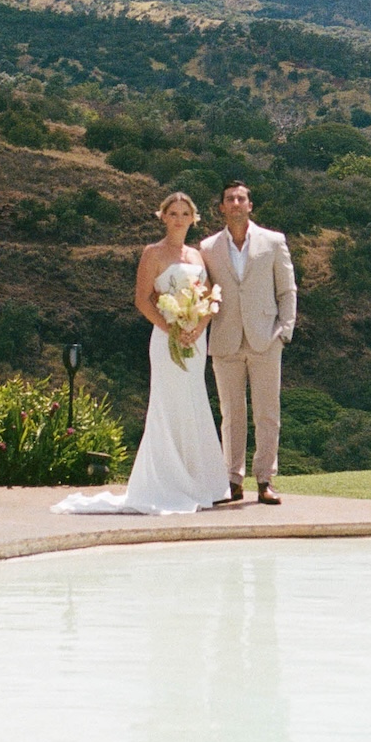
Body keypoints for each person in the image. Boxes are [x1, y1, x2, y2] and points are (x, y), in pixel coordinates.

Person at [52, 192, 228, 515]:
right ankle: (165, 482)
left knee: (194, 404)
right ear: (163, 217)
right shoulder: (153, 253)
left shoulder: (197, 256)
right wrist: (171, 328)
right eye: (172, 213)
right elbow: (142, 299)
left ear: (193, 218)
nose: (178, 219)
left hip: (195, 341)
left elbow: (209, 300)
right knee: (168, 404)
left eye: (184, 213)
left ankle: (201, 483)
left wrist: (198, 327)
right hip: (166, 338)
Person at [200, 181, 296, 506]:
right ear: (222, 208)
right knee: (231, 413)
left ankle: (266, 480)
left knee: (268, 413)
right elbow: (203, 291)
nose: (237, 203)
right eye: (230, 199)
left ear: (250, 205)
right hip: (225, 339)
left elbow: (287, 290)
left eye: (242, 198)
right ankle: (232, 480)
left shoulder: (273, 241)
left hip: (265, 339)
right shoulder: (208, 247)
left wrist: (285, 331)